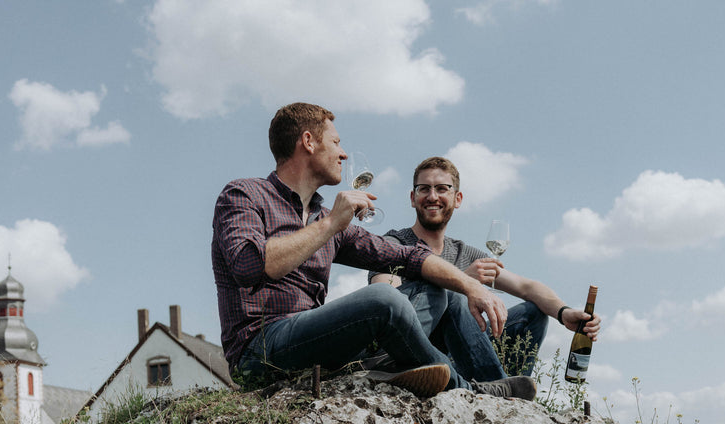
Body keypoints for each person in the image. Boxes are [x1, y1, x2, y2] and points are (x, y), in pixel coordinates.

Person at [211, 103, 537, 399]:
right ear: (308, 142)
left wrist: (471, 286)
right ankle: (467, 391)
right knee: (382, 298)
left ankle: (495, 389)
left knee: (442, 290)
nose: (343, 154)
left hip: (315, 349)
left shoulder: (327, 219)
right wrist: (330, 225)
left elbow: (408, 257)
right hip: (259, 350)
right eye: (336, 142)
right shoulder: (244, 194)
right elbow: (250, 265)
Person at [369, 156, 600, 382]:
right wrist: (462, 281)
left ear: (457, 198)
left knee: (532, 314)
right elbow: (388, 303)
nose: (432, 196)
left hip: (463, 356)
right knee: (454, 297)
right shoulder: (394, 244)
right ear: (413, 198)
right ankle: (503, 391)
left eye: (442, 189)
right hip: (416, 353)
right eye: (424, 189)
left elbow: (527, 287)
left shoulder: (465, 253)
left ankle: (511, 386)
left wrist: (564, 313)